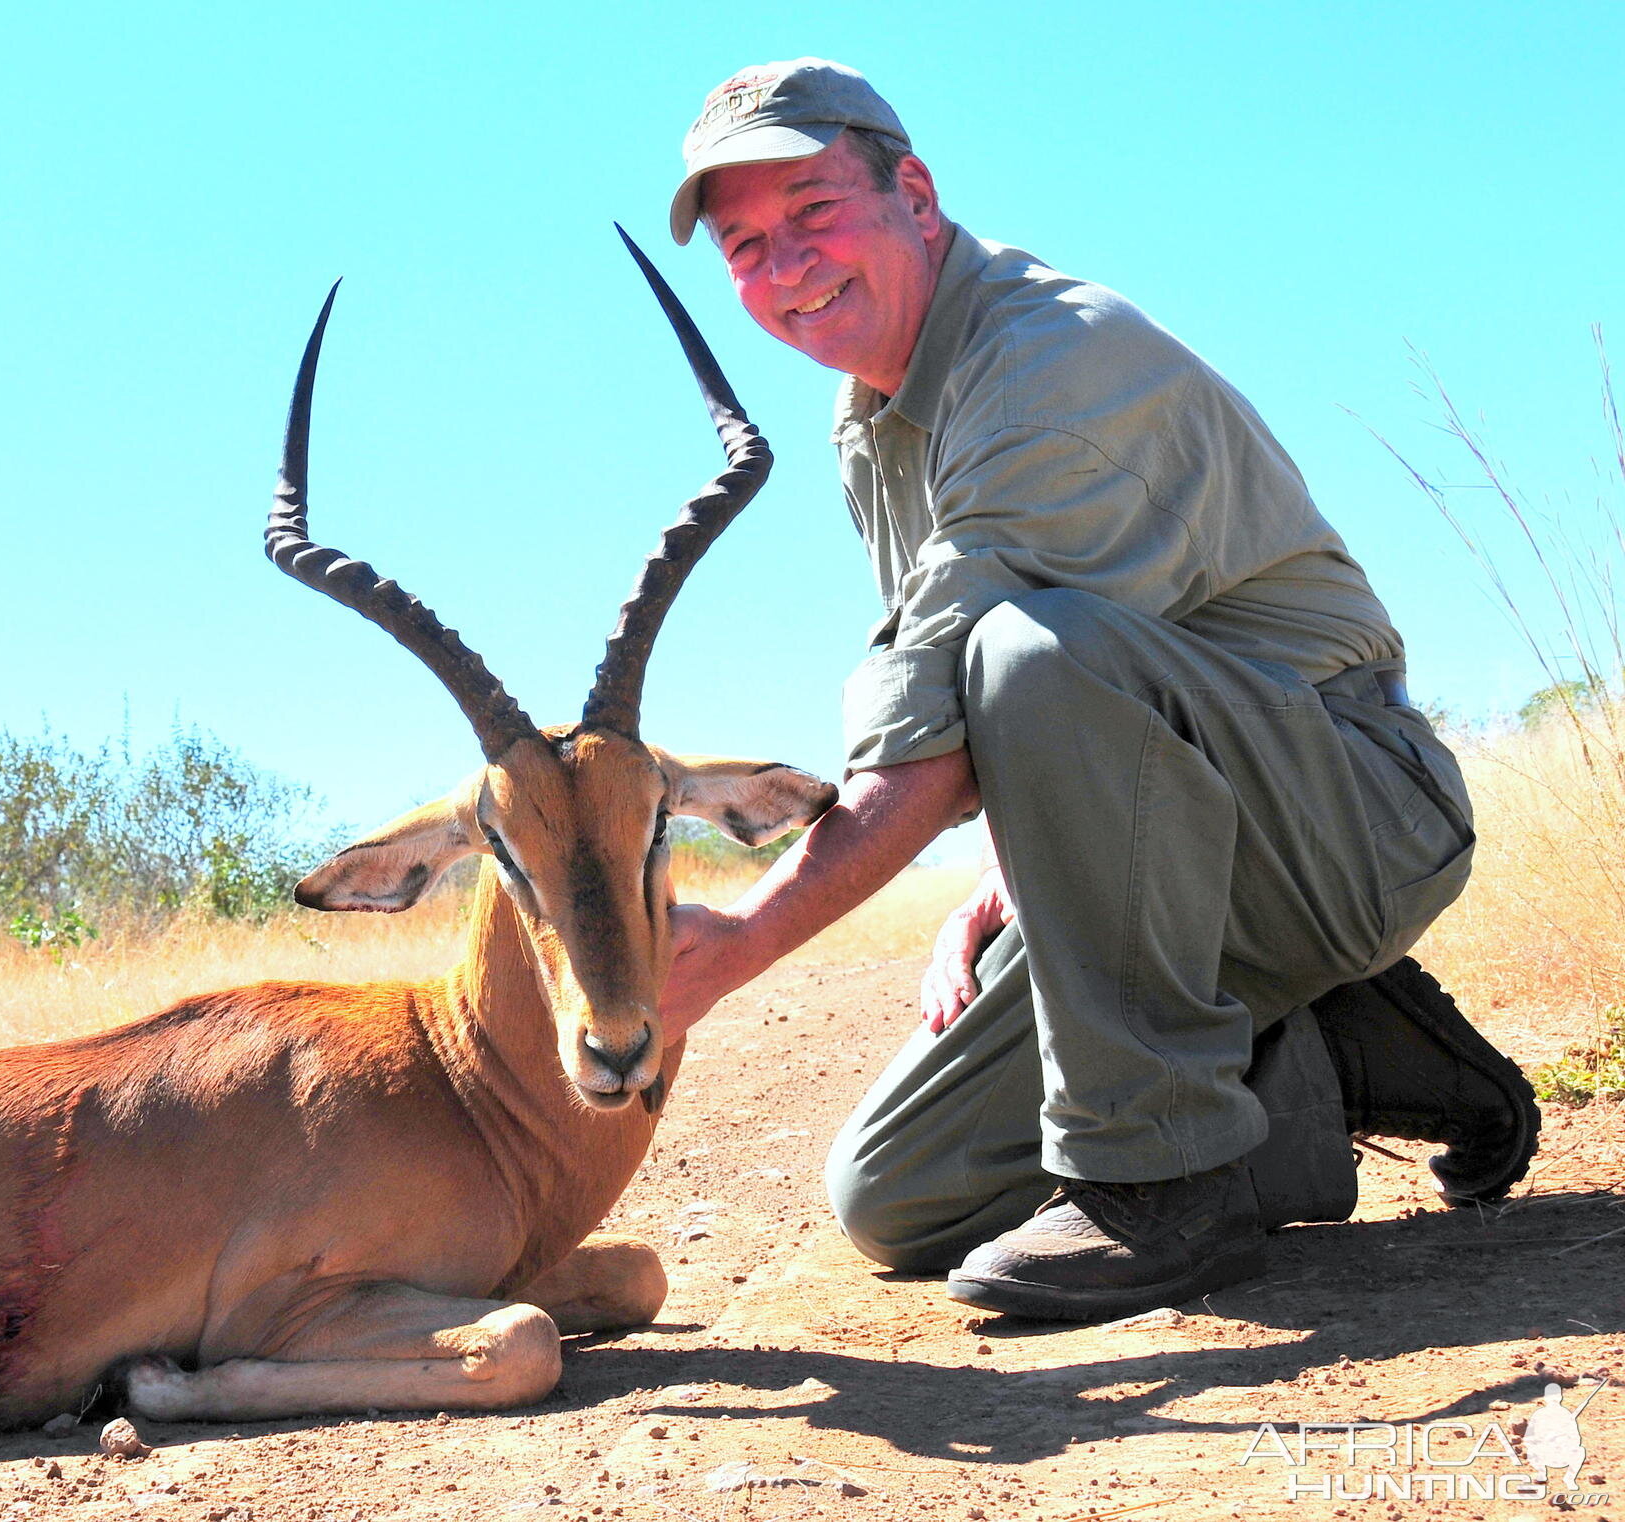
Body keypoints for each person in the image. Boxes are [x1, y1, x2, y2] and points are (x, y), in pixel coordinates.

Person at [658, 58, 1536, 1321]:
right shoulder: (876, 416)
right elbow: (974, 692)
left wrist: (736, 946)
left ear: (913, 188)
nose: (783, 267)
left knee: (1029, 649)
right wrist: (1013, 870)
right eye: (744, 246)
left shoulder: (1041, 362)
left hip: (1353, 819)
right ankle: (1333, 1063)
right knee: (894, 1195)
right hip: (1187, 838)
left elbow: (980, 702)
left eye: (812, 212)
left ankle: (1166, 1186)